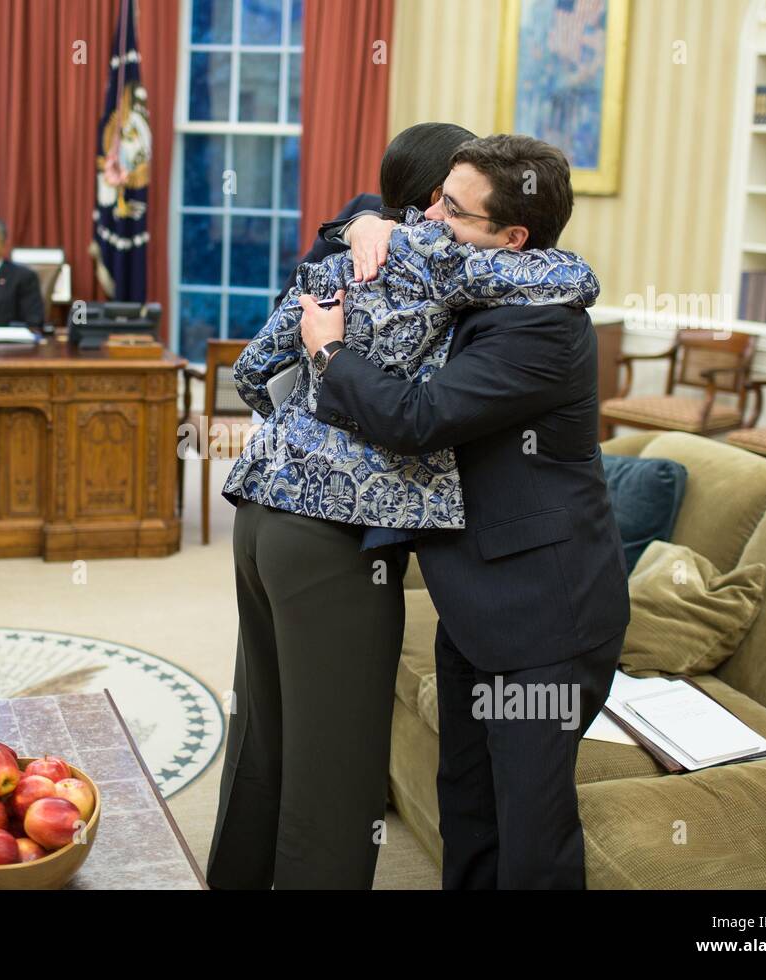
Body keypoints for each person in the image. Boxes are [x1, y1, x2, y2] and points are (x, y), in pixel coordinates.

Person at [206, 130, 600, 890]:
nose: (431, 218)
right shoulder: (433, 258)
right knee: (372, 782)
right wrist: (360, 232)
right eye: (435, 201)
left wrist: (315, 379)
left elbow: (285, 382)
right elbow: (388, 215)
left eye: (451, 208)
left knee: (269, 735)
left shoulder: (522, 313)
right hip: (358, 547)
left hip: (276, 516)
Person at [272, 122, 476, 309]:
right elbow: (286, 302)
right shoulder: (363, 208)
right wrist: (357, 225)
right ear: (438, 195)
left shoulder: (468, 249)